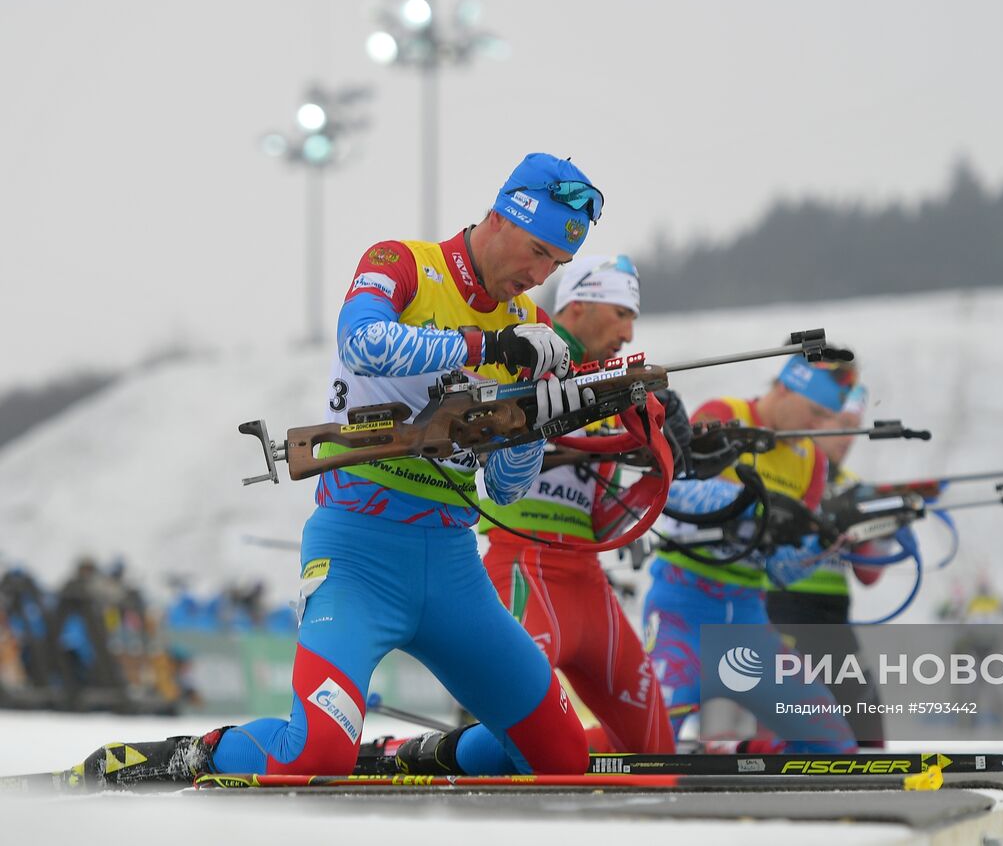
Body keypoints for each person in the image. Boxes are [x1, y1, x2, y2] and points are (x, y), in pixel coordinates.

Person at [75, 153, 605, 787]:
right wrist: (484, 346)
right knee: (317, 754)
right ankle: (197, 753)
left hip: (454, 567)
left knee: (562, 761)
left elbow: (507, 488)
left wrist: (533, 419)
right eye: (538, 250)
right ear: (500, 215)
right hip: (359, 553)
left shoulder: (532, 328)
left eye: (557, 265)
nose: (539, 274)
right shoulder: (402, 264)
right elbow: (363, 341)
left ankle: (418, 756)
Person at [480, 254, 683, 753]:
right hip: (524, 568)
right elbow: (487, 464)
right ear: (580, 305)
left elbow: (605, 518)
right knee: (529, 742)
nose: (631, 334)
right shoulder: (530, 351)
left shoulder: (612, 386)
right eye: (622, 314)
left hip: (588, 583)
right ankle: (412, 751)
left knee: (654, 751)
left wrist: (661, 460)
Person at [642, 356, 859, 753]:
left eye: (828, 417)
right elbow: (674, 490)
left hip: (748, 623)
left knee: (834, 744)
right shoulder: (725, 414)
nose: (817, 427)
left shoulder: (813, 463)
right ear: (785, 387)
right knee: (648, 748)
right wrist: (760, 506)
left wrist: (825, 540)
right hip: (682, 614)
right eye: (814, 412)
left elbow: (780, 571)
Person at [766, 382, 918, 746]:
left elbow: (868, 573)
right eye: (840, 424)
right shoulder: (784, 471)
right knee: (789, 724)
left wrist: (887, 524)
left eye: (855, 427)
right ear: (815, 418)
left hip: (832, 619)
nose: (847, 438)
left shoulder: (854, 487)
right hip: (779, 610)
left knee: (868, 731)